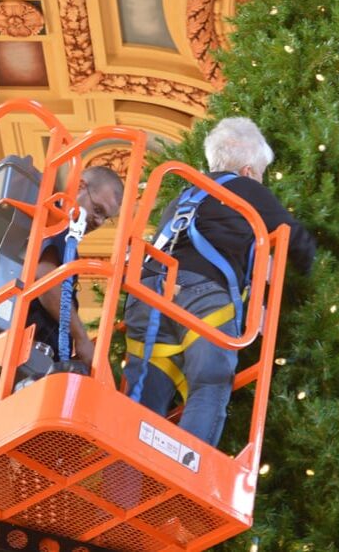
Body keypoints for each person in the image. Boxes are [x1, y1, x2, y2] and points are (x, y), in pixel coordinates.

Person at [124, 117, 315, 447]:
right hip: (203, 297)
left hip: (149, 296)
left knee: (141, 404)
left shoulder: (181, 196)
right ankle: (185, 481)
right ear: (249, 170)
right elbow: (297, 241)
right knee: (209, 384)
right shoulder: (246, 189)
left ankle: (122, 492)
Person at [26, 165, 124, 365]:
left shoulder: (64, 237)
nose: (98, 221)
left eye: (105, 218)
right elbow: (46, 277)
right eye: (97, 210)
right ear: (80, 186)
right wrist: (81, 339)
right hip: (27, 350)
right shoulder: (58, 222)